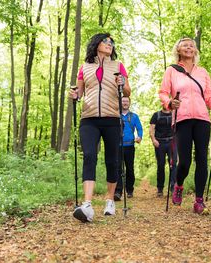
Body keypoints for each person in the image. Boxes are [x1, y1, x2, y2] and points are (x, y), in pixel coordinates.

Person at [159, 37, 211, 214]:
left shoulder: (202, 72)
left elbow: (209, 95)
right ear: (178, 50)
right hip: (182, 119)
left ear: (195, 51)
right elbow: (163, 93)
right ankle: (178, 185)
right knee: (185, 162)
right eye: (185, 45)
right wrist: (169, 103)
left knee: (202, 159)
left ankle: (199, 201)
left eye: (191, 45)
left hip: (203, 119)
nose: (189, 47)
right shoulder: (172, 71)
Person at [70, 33, 131, 222]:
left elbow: (128, 91)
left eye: (112, 42)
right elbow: (80, 92)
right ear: (96, 44)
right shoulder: (85, 67)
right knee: (89, 156)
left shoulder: (118, 65)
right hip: (89, 118)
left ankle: (109, 199)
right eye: (106, 41)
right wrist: (74, 95)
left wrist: (122, 84)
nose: (109, 44)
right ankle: (87, 204)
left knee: (112, 160)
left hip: (112, 117)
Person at [114, 96, 143, 201]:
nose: (125, 103)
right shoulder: (115, 115)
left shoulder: (134, 116)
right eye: (123, 101)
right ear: (120, 103)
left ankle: (129, 190)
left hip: (130, 146)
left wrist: (139, 136)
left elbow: (139, 128)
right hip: (117, 146)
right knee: (117, 169)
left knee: (130, 169)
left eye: (126, 101)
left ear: (129, 103)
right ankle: (118, 191)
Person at [149, 106, 177, 197]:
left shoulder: (174, 114)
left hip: (172, 142)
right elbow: (152, 129)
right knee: (161, 165)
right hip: (159, 143)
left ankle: (173, 187)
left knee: (173, 164)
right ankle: (160, 189)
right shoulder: (156, 115)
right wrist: (153, 140)